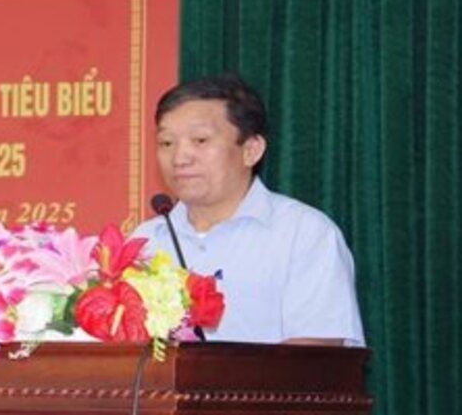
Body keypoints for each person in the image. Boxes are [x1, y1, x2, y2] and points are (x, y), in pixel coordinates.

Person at [132, 75, 365, 346]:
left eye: (200, 140)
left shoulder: (304, 234)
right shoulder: (145, 241)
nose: (180, 158)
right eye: (166, 143)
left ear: (251, 150)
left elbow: (315, 356)